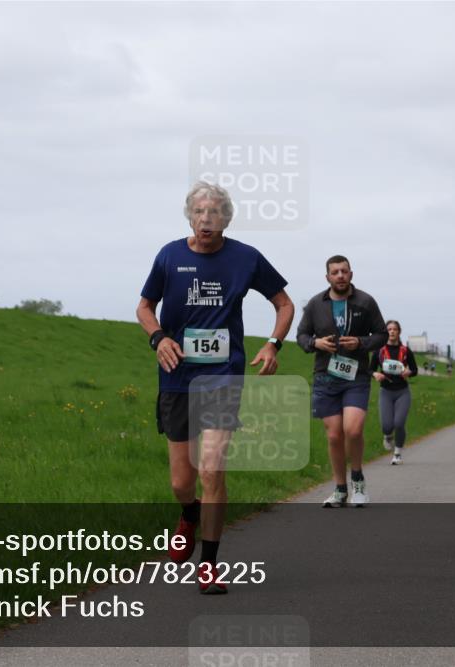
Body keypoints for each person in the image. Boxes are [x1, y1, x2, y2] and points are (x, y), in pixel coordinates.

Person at [136, 181, 294, 594]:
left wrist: (274, 344)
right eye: (200, 213)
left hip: (224, 374)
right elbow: (144, 307)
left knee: (211, 467)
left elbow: (284, 303)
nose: (207, 220)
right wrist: (159, 338)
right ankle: (188, 514)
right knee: (181, 482)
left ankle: (208, 565)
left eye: (215, 213)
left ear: (226, 218)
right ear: (190, 216)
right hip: (177, 376)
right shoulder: (169, 255)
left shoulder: (246, 258)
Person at [297, 255, 386, 507]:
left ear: (351, 274)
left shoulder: (365, 302)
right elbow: (302, 335)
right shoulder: (315, 304)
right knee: (335, 436)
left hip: (356, 375)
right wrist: (316, 343)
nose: (340, 276)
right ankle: (339, 488)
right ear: (327, 277)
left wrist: (361, 342)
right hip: (326, 376)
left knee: (353, 429)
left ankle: (357, 480)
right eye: (335, 272)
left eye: (344, 271)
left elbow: (380, 334)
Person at [370, 320, 418, 465]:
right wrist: (375, 374)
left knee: (399, 423)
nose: (391, 332)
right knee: (386, 425)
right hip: (386, 391)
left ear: (399, 332)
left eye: (394, 329)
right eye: (389, 329)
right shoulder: (379, 350)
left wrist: (409, 372)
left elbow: (414, 370)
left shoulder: (405, 350)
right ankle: (387, 436)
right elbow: (369, 369)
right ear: (386, 332)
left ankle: (397, 454)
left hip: (402, 391)